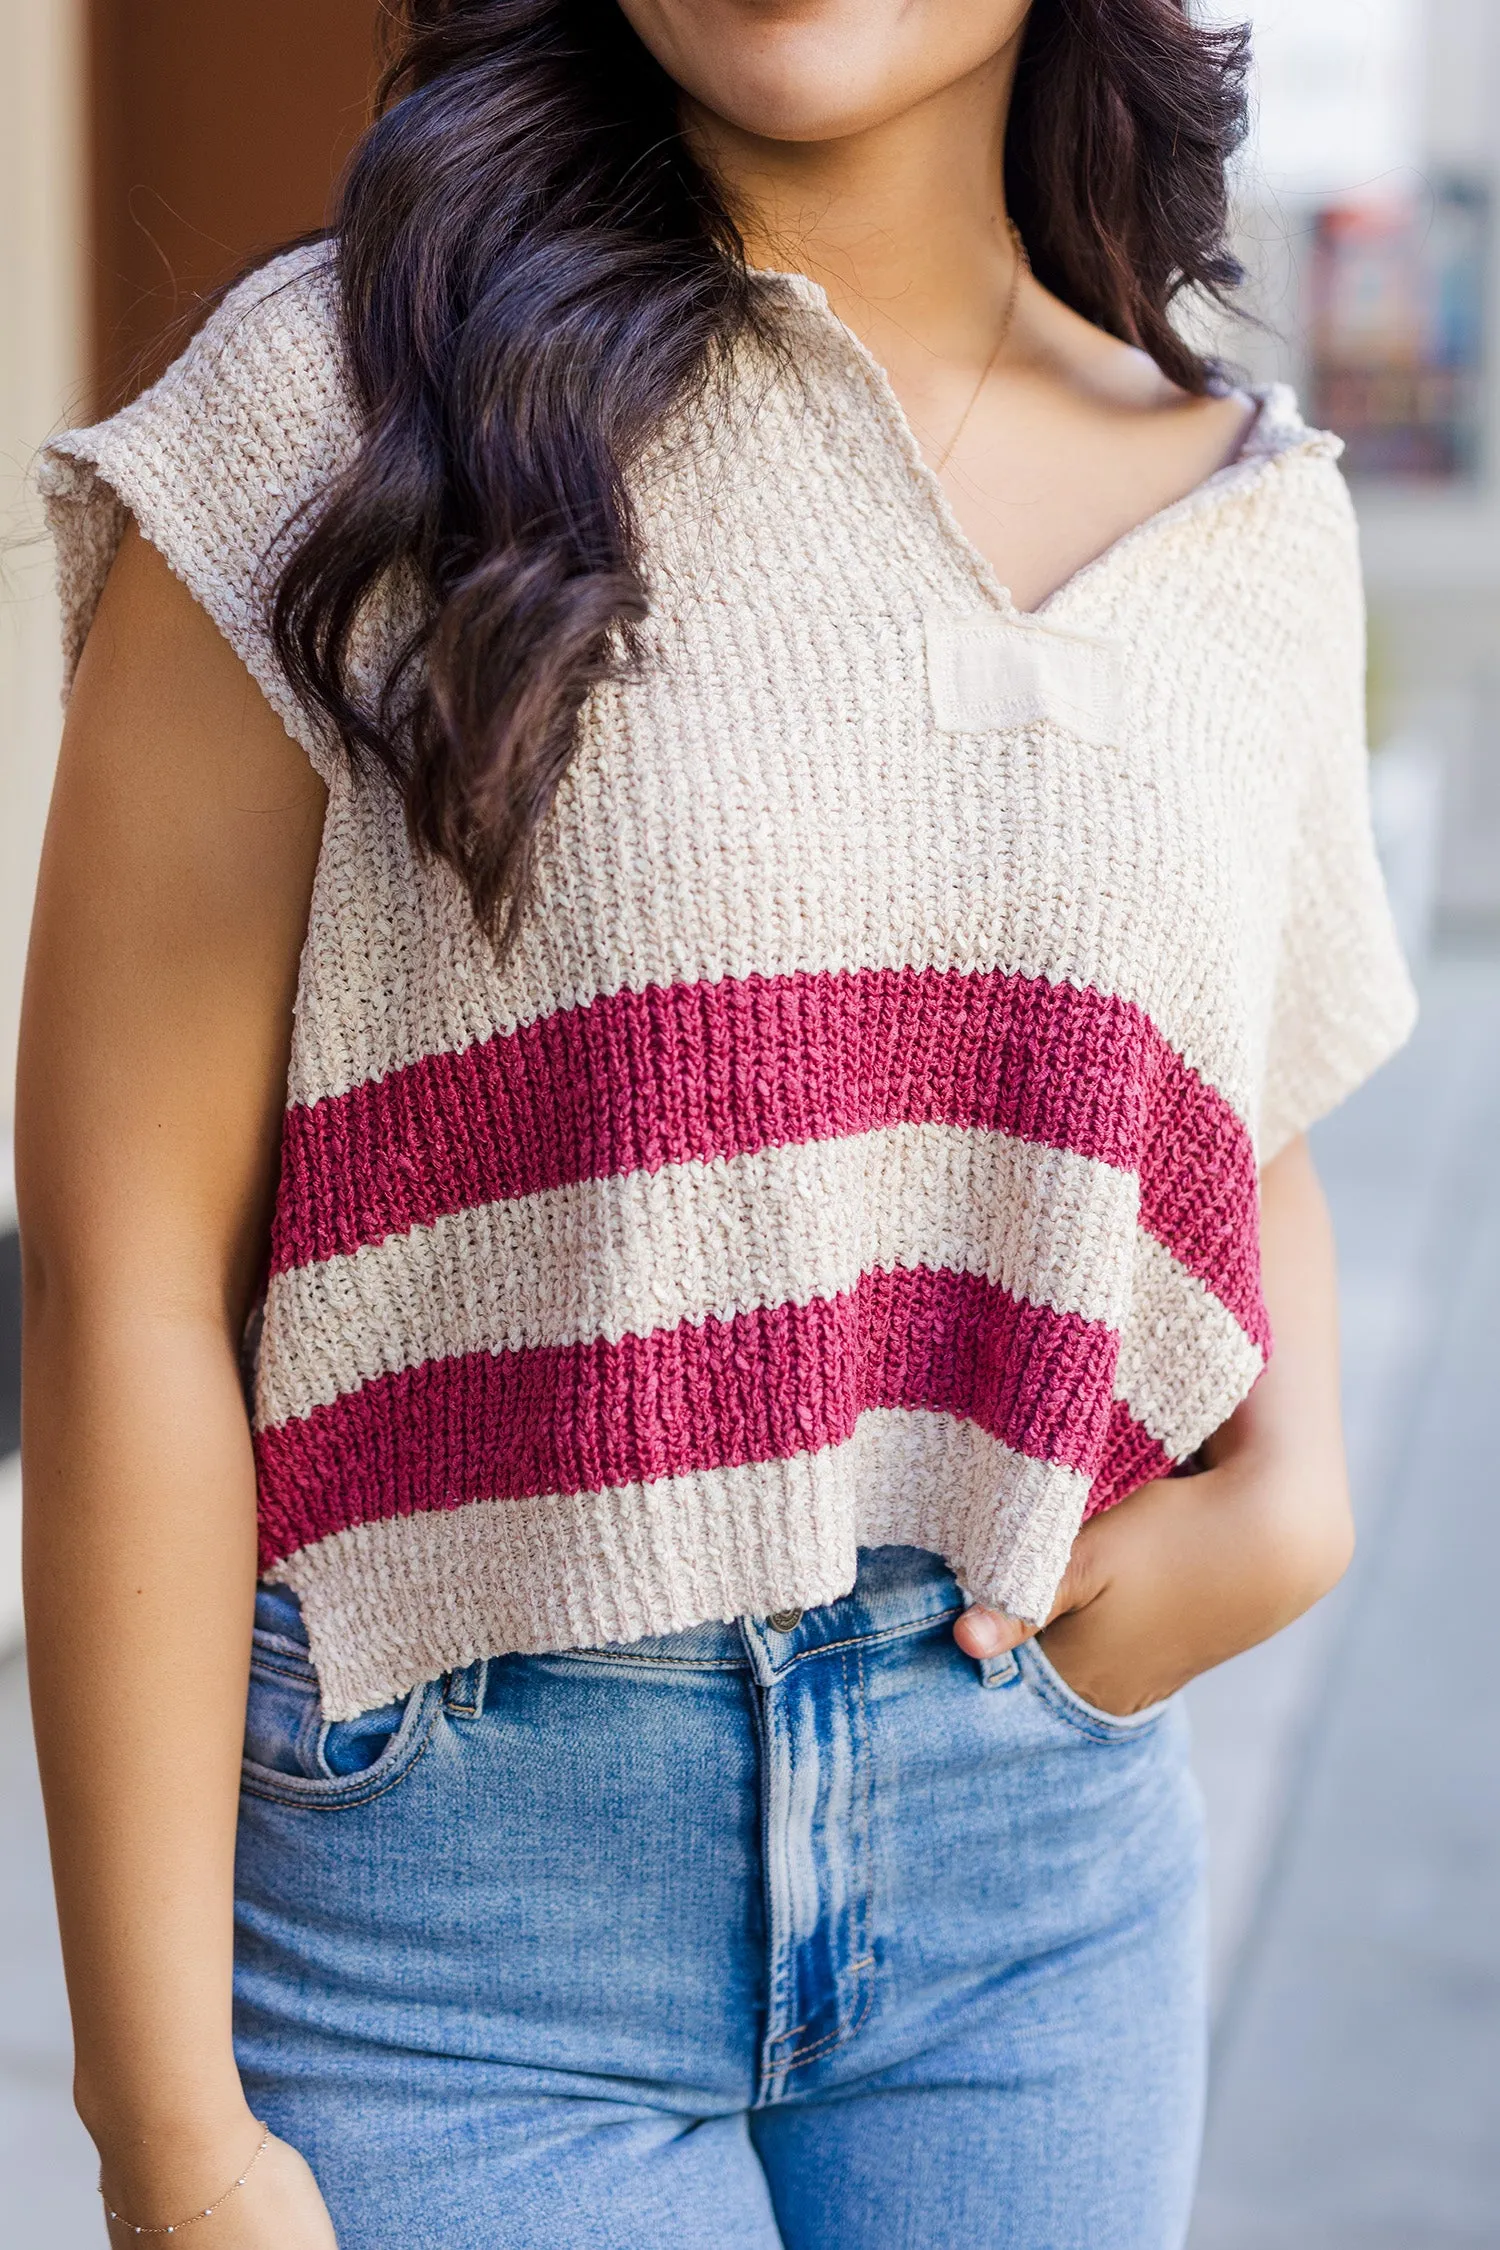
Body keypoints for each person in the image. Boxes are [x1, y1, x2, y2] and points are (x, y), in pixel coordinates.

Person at [20, 2, 1416, 2244]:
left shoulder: (1241, 512)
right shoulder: (350, 401)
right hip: (455, 1914)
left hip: (1031, 1879)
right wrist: (160, 2113)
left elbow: (1226, 1078)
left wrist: (1302, 1492)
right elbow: (120, 1277)